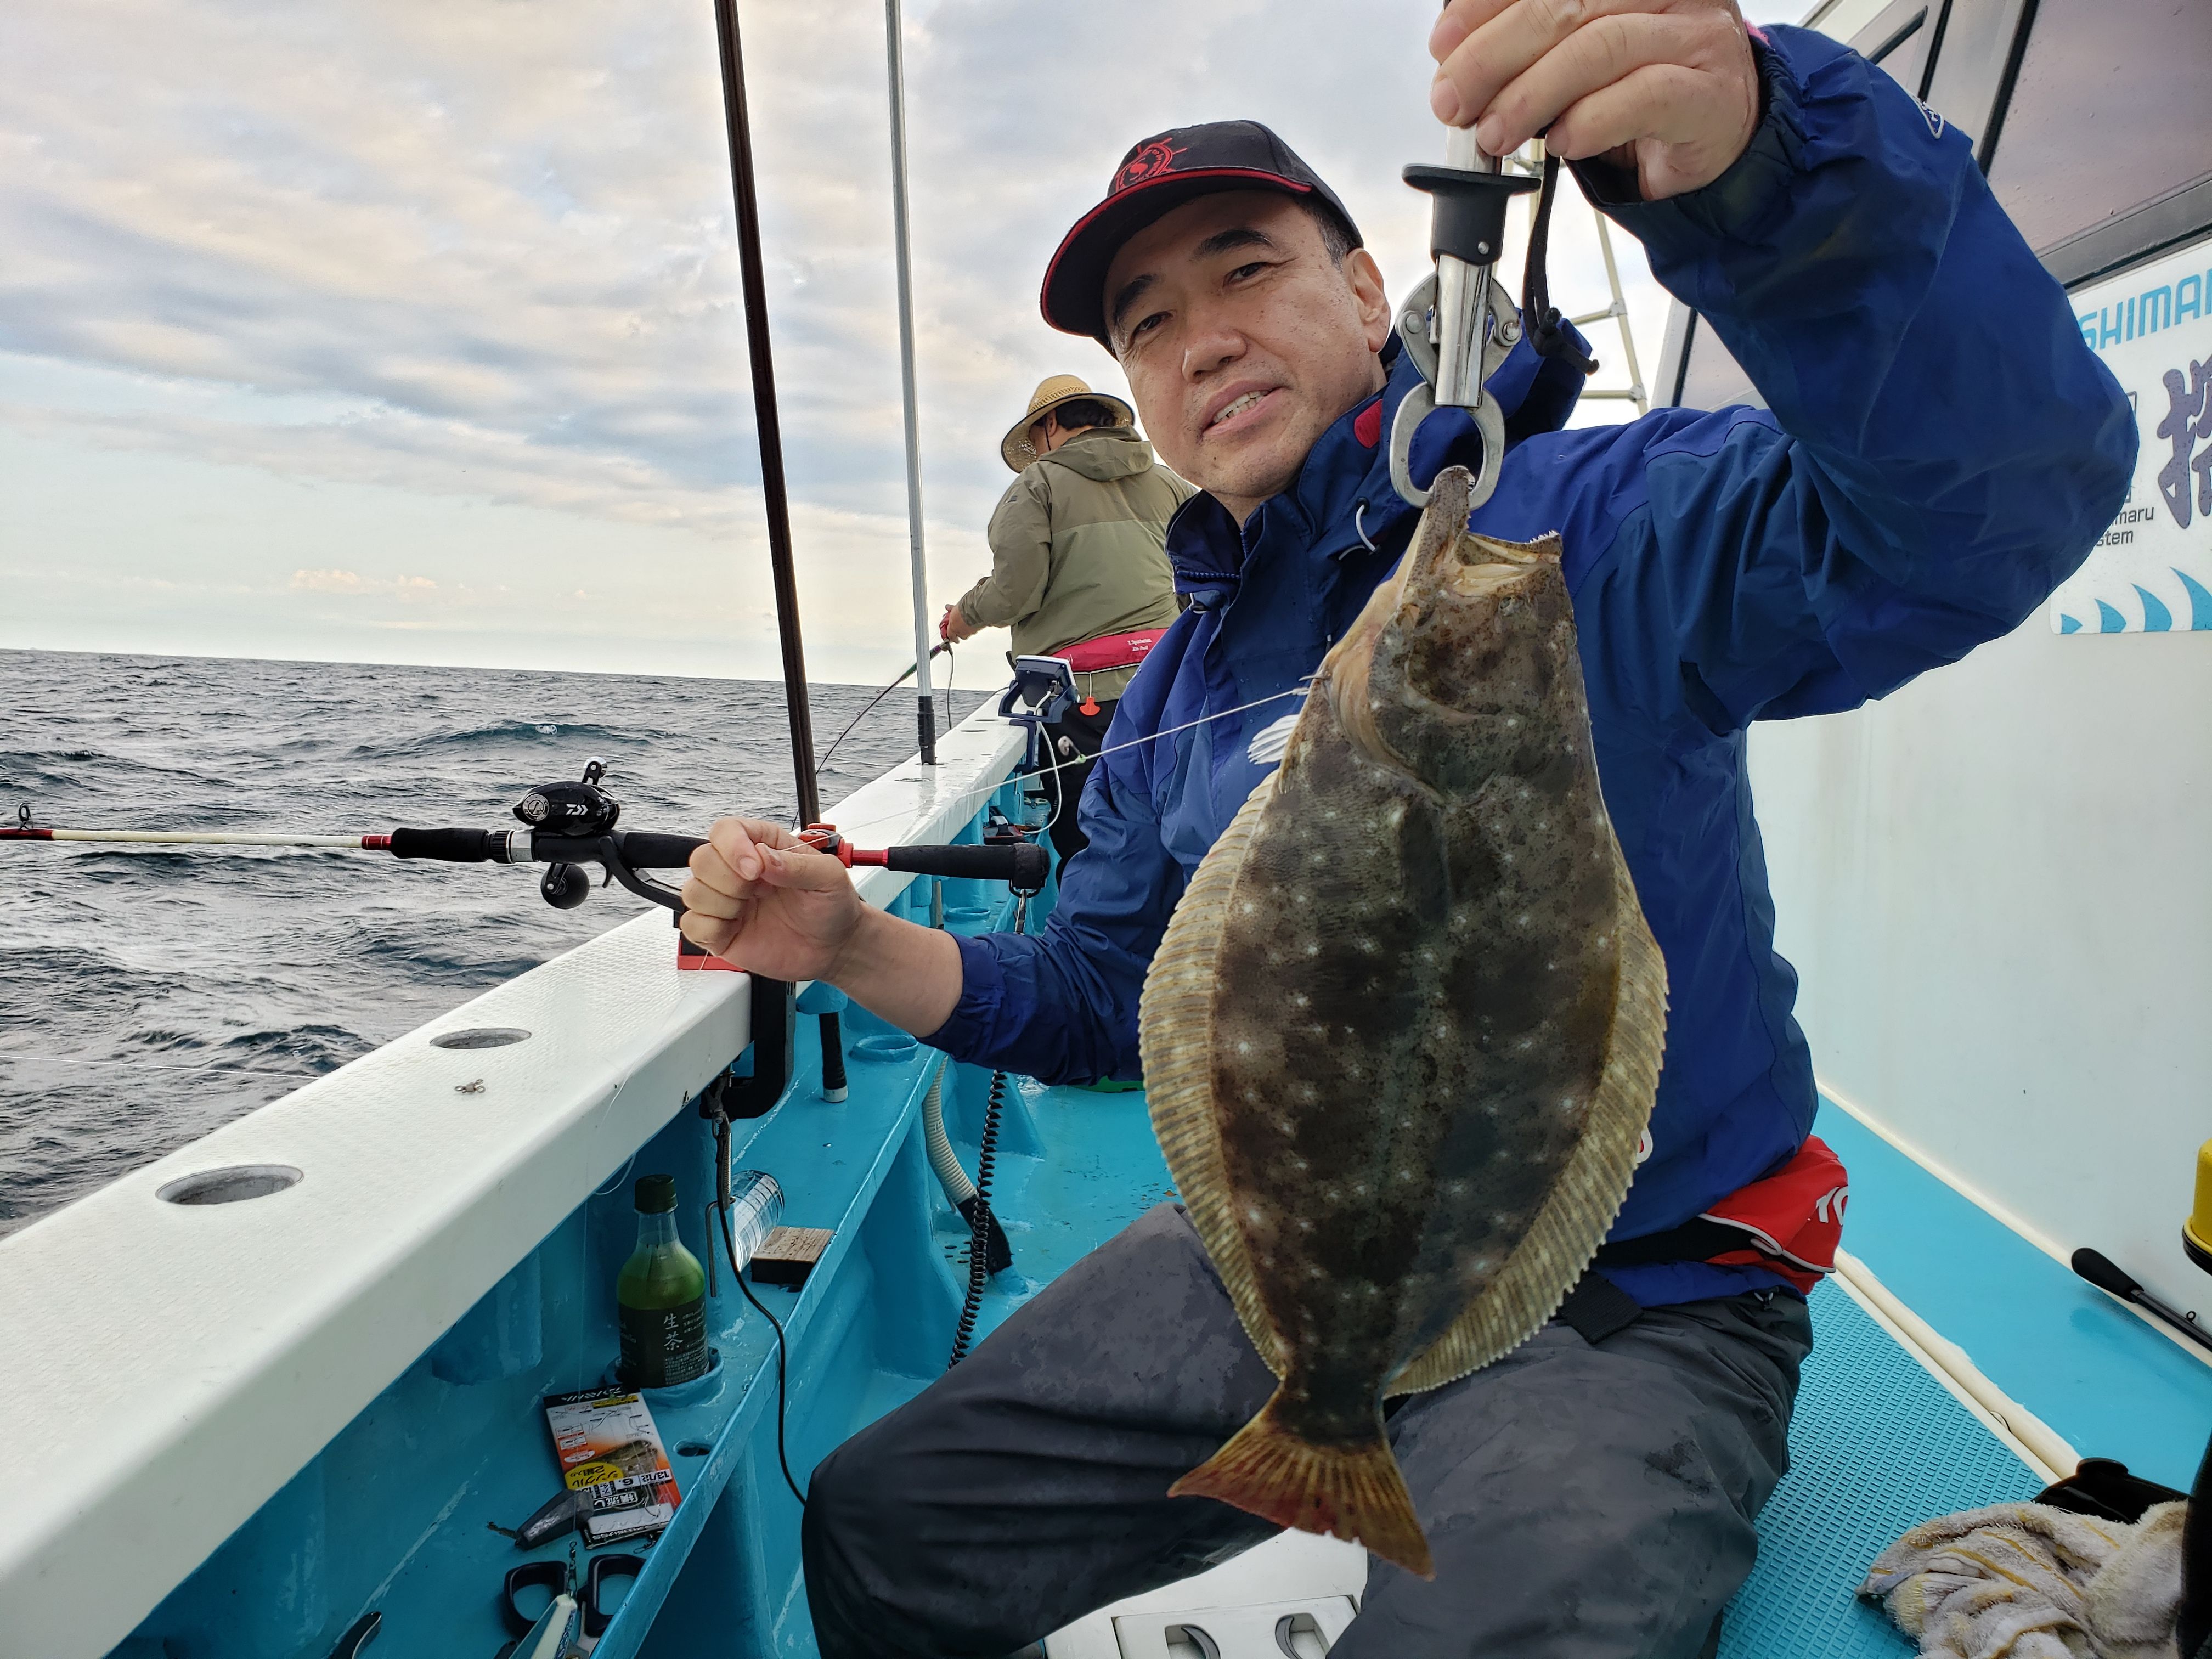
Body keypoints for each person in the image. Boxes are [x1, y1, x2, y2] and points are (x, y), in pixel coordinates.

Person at [682, 0, 2135, 1651]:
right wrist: (848, 942)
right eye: (1150, 325)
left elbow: (1985, 507)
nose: (1204, 340)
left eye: (1246, 269)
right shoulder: (1175, 691)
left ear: (1371, 293)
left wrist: (1766, 168)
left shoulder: (1578, 534)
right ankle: (1326, 1432)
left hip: (1637, 1289)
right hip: (1297, 1263)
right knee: (888, 1519)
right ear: (1141, 396)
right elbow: (1102, 991)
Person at [940, 373, 1190, 861]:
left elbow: (1014, 593)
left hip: (1080, 704)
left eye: (1036, 438)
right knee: (1176, 829)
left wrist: (962, 619)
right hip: (1172, 687)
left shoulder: (1037, 486)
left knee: (1092, 843)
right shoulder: (1172, 484)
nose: (1038, 451)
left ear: (1052, 423)